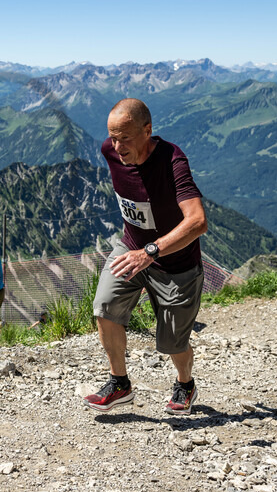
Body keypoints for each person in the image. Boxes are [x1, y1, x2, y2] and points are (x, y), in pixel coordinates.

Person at [84, 98, 207, 414]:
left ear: (148, 130)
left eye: (125, 138)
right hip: (131, 247)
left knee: (172, 344)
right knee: (105, 306)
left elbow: (197, 221)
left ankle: (185, 384)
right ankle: (119, 384)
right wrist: (139, 250)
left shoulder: (172, 161)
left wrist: (151, 251)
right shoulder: (109, 151)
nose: (117, 146)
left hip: (174, 263)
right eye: (113, 137)